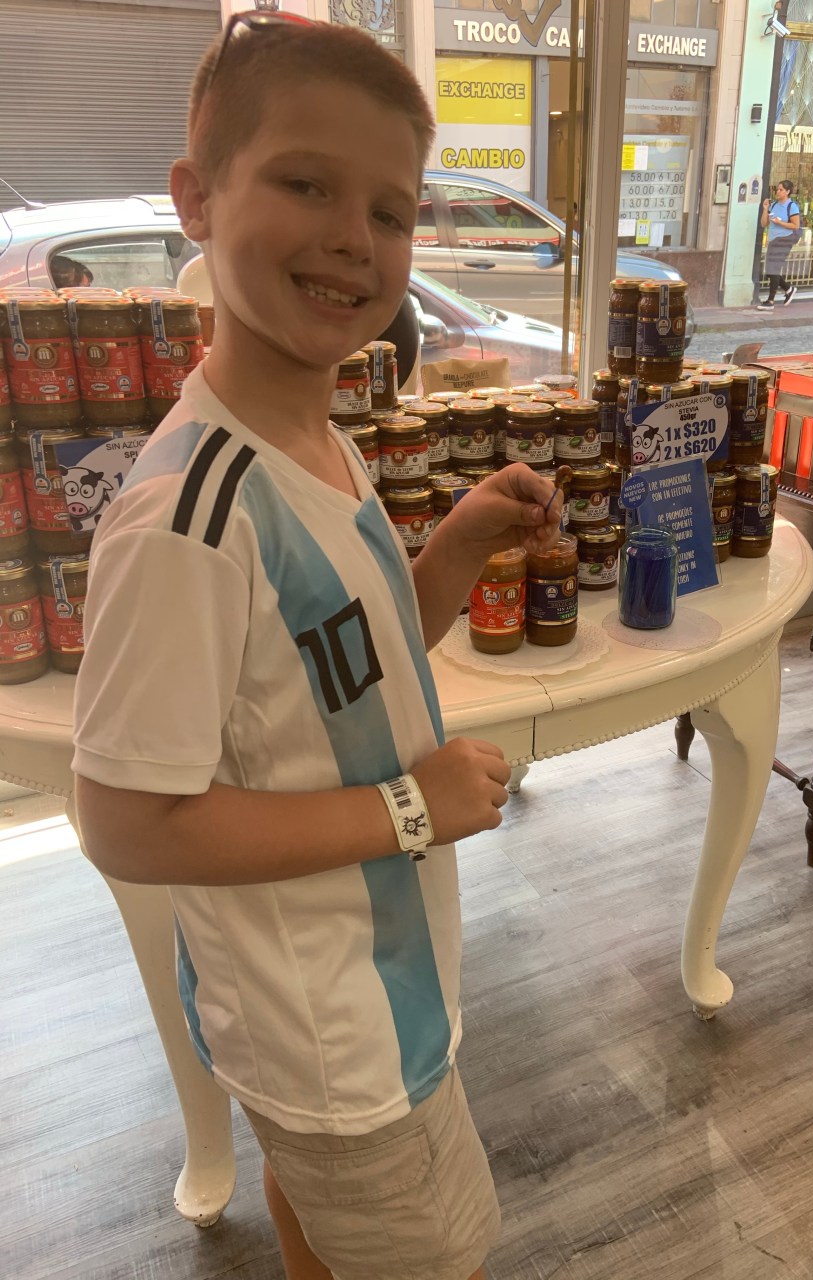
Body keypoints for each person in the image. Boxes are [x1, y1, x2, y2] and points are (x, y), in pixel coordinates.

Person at [71, 16, 561, 1280]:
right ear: (196, 197)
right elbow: (124, 820)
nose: (354, 236)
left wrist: (457, 543)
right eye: (305, 184)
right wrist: (412, 807)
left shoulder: (319, 443)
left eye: (390, 210)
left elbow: (343, 668)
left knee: (321, 1221)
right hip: (338, 1035)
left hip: (349, 1002)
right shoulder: (189, 518)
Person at [757, 179, 801, 309]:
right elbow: (764, 223)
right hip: (773, 240)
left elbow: (796, 225)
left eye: (781, 189)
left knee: (773, 269)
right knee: (770, 271)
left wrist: (779, 222)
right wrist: (765, 209)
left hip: (784, 240)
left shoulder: (791, 206)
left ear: (787, 192)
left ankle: (770, 301)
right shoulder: (774, 205)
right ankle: (788, 289)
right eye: (777, 189)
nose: (778, 191)